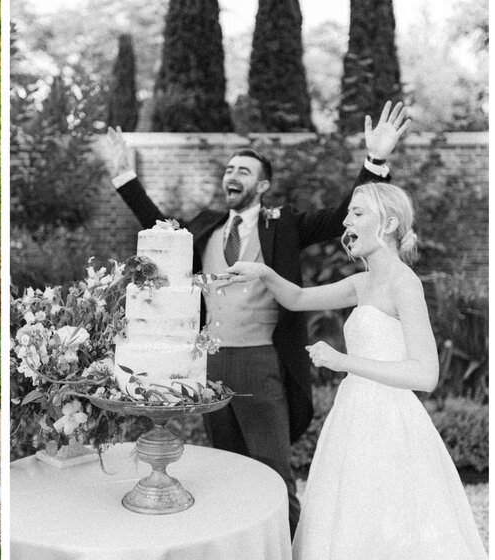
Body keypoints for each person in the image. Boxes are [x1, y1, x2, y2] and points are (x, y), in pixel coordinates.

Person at [105, 101, 410, 534]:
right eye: (229, 169)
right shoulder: (206, 225)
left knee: (272, 472)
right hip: (208, 365)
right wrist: (124, 176)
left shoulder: (283, 225)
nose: (232, 175)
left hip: (261, 361)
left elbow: (343, 213)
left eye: (243, 171)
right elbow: (159, 230)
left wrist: (376, 158)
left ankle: (288, 546)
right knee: (226, 468)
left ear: (263, 185)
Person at [226, 183, 487, 559]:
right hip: (351, 416)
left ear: (390, 222)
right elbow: (298, 298)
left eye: (358, 213)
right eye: (348, 213)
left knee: (387, 521)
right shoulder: (362, 283)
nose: (347, 222)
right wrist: (263, 272)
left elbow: (425, 374)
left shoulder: (404, 283)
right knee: (345, 517)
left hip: (389, 422)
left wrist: (343, 362)